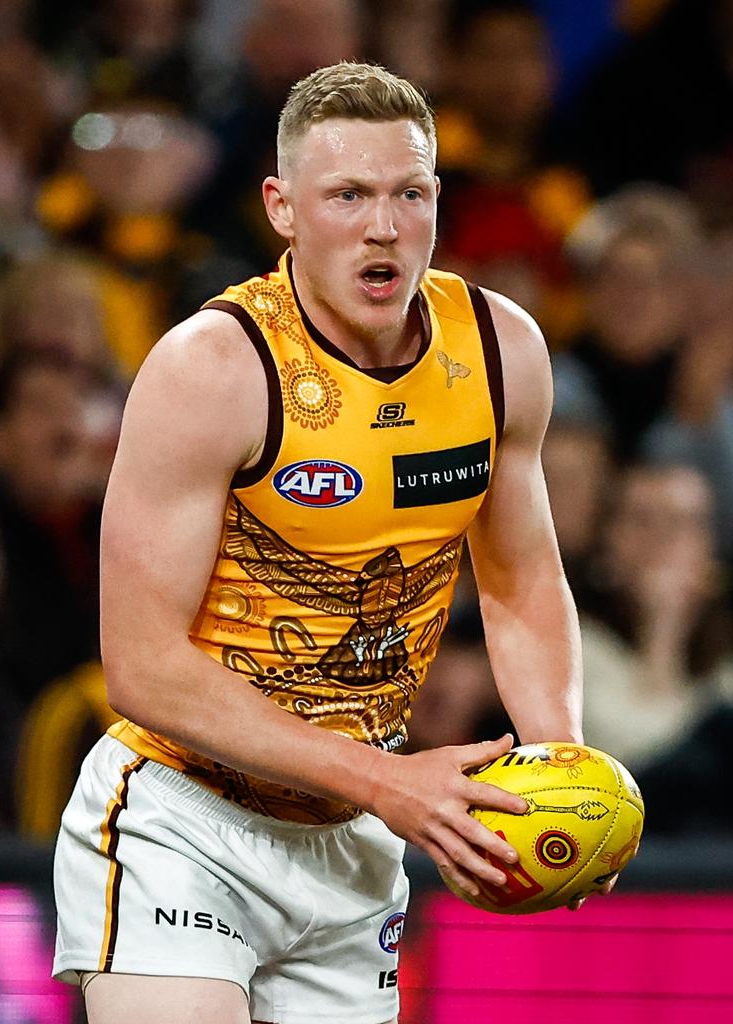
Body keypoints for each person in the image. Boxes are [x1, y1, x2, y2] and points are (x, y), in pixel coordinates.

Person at [52, 62, 585, 1024]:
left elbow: (521, 579)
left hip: (353, 838)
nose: (384, 227)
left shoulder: (501, 351)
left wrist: (564, 778)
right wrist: (391, 782)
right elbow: (140, 666)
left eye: (409, 194)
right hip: (186, 819)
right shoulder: (212, 367)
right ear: (282, 208)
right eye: (347, 195)